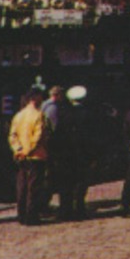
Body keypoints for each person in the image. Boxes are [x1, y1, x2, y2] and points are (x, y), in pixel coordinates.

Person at [8, 89, 50, 225]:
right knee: (34, 187)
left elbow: (12, 135)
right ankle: (32, 216)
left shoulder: (18, 115)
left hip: (20, 156)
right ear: (35, 98)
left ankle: (21, 215)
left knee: (22, 185)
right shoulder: (39, 115)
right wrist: (28, 151)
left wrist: (18, 150)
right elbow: (38, 137)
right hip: (35, 156)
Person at [59, 85, 94, 219]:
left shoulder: (63, 113)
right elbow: (91, 137)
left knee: (66, 182)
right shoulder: (88, 114)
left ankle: (65, 210)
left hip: (66, 154)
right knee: (81, 182)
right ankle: (79, 209)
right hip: (82, 154)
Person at [42, 85, 73, 218]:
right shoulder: (53, 108)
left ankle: (43, 204)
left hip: (45, 147)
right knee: (55, 177)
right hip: (54, 148)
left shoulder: (44, 105)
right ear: (58, 95)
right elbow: (55, 129)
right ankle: (45, 205)